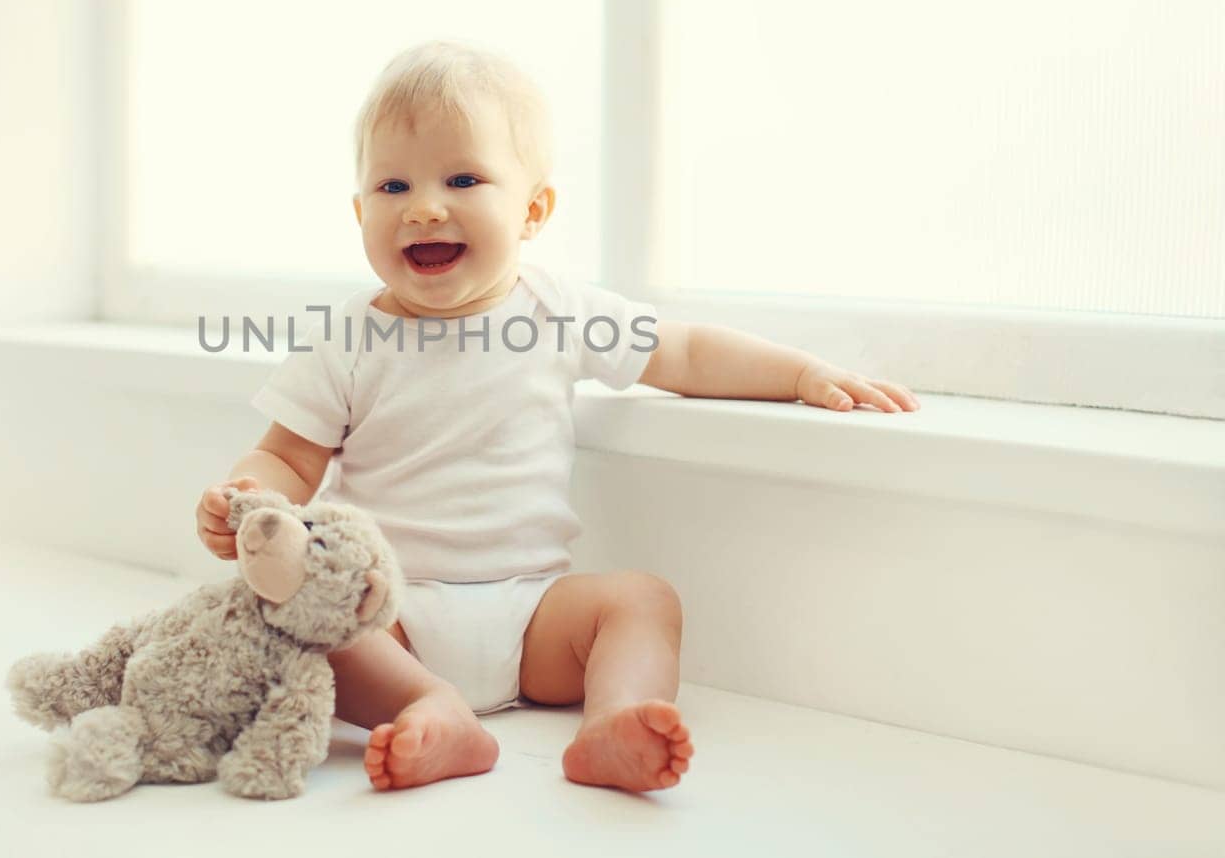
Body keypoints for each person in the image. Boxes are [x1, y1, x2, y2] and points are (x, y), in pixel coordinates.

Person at [195, 41, 920, 792]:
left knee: (642, 600)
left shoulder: (558, 311)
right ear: (359, 212)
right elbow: (288, 456)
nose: (423, 206)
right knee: (292, 618)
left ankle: (616, 719)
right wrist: (254, 500)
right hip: (391, 617)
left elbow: (688, 353)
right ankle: (433, 709)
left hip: (535, 617)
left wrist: (802, 374)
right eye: (392, 185)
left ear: (533, 209)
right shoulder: (348, 336)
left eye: (463, 178)